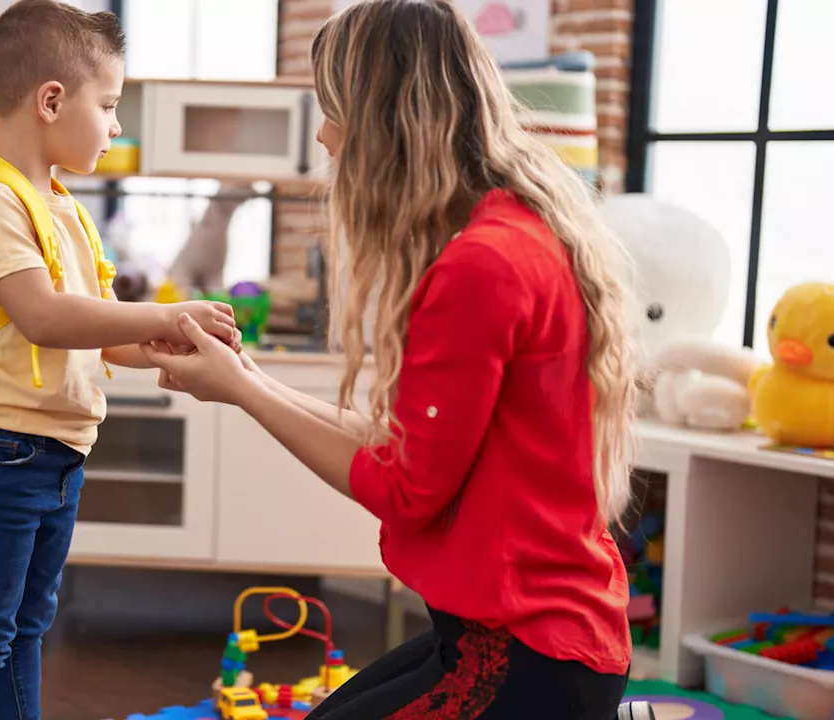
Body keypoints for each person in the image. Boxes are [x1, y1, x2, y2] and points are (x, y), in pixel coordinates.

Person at [141, 1, 638, 718]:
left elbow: (406, 488)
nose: (324, 134)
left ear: (384, 122)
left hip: (530, 647)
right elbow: (412, 450)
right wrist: (244, 377)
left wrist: (242, 392)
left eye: (334, 109)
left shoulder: (483, 266)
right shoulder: (512, 231)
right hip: (508, 634)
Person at [0, 2, 239, 718]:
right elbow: (42, 316)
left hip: (56, 453)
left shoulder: (62, 206)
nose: (116, 125)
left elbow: (96, 335)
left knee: (24, 630)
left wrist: (176, 346)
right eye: (110, 104)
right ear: (52, 100)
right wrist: (165, 313)